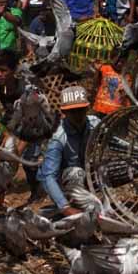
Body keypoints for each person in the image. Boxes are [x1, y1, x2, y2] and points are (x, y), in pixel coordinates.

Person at [39, 86, 101, 217]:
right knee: (75, 173)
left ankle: (93, 200)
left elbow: (115, 142)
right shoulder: (58, 137)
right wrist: (65, 207)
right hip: (65, 180)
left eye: (81, 110)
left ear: (87, 109)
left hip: (88, 174)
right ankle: (70, 206)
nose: (78, 115)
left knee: (113, 166)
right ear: (64, 113)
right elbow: (48, 176)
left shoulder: (95, 124)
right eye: (73, 111)